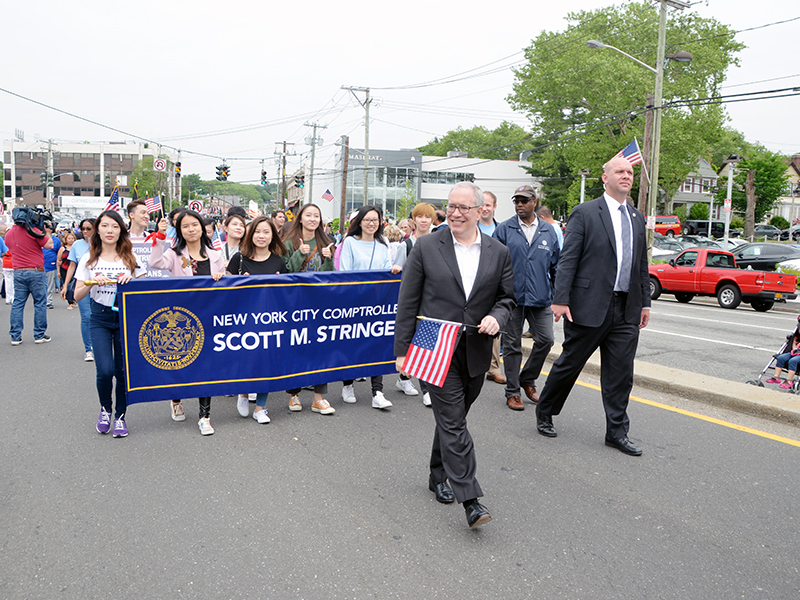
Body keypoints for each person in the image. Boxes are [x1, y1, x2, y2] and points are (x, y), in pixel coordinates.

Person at [394, 181, 515, 528]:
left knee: (454, 417)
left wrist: (497, 317)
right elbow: (408, 301)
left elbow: (507, 298)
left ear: (481, 211)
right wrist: (401, 351)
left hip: (475, 347)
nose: (455, 213)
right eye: (451, 206)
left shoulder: (498, 252)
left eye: (464, 208)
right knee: (453, 421)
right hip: (434, 345)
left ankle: (437, 474)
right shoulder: (427, 247)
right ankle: (471, 499)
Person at [535, 156, 650, 457]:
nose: (626, 176)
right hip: (589, 305)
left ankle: (617, 432)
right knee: (570, 363)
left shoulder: (637, 218)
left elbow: (641, 264)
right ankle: (545, 410)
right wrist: (560, 299)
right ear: (605, 178)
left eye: (630, 172)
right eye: (620, 172)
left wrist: (645, 303)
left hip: (626, 308)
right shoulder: (585, 213)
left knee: (620, 374)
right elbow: (568, 258)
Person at [150, 210, 226, 435]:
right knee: (179, 361)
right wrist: (159, 238)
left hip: (209, 317)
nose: (191, 229)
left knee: (206, 367)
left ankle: (205, 416)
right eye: (185, 226)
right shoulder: (173, 254)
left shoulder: (214, 255)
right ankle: (176, 399)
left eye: (195, 224)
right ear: (179, 230)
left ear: (202, 228)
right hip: (182, 320)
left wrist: (222, 278)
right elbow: (155, 263)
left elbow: (224, 283)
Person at [74, 210, 146, 437]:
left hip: (126, 318)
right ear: (98, 229)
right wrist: (92, 282)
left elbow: (144, 293)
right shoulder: (89, 258)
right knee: (105, 370)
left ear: (121, 230)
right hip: (100, 318)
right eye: (105, 226)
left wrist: (131, 282)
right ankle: (105, 409)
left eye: (114, 227)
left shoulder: (130, 257)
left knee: (121, 370)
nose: (110, 231)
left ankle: (121, 416)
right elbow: (76, 295)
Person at [493, 185, 559, 411]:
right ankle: (512, 392)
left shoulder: (548, 231)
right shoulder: (504, 229)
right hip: (511, 298)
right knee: (512, 346)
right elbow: (492, 264)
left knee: (546, 340)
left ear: (534, 202)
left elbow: (556, 266)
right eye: (516, 201)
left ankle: (527, 378)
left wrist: (559, 296)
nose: (519, 204)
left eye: (524, 200)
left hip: (541, 298)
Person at [339, 205, 401, 410]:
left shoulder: (383, 243)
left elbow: (385, 269)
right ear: (359, 222)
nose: (371, 223)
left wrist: (393, 270)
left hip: (376, 303)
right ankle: (347, 384)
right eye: (367, 219)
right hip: (353, 302)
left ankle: (378, 392)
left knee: (377, 343)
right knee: (351, 342)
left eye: (375, 220)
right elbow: (345, 272)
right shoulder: (349, 242)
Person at [227, 216, 289, 423]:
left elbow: (288, 294)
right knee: (246, 360)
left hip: (270, 321)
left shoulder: (279, 261)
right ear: (250, 234)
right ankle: (243, 392)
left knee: (267, 364)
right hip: (243, 322)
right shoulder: (239, 259)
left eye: (266, 232)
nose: (261, 236)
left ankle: (260, 407)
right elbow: (224, 290)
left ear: (273, 236)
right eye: (257, 232)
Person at [281, 203, 337, 414]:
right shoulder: (289, 242)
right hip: (294, 303)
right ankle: (294, 394)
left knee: (320, 347)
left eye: (317, 216)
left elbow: (330, 277)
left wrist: (329, 260)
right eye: (309, 215)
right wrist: (300, 253)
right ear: (300, 219)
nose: (313, 219)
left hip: (319, 303)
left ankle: (318, 397)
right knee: (295, 345)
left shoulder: (327, 242)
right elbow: (286, 272)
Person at [393, 202, 438, 403]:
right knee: (413, 340)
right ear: (413, 220)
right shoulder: (407, 245)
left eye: (427, 217)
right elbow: (399, 270)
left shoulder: (439, 242)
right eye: (420, 217)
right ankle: (420, 386)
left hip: (433, 299)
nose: (424, 220)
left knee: (427, 341)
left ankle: (420, 384)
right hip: (414, 300)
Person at [6, 211, 54, 345]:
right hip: (35, 270)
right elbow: (49, 244)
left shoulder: (10, 233)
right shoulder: (33, 231)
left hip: (18, 271)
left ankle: (15, 336)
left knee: (18, 303)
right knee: (39, 303)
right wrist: (45, 230)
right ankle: (39, 334)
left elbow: (9, 247)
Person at [61, 218, 96, 360]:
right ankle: (89, 349)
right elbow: (72, 266)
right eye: (83, 229)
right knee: (86, 317)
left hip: (102, 286)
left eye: (89, 228)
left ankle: (102, 345)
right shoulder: (77, 245)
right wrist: (65, 285)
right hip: (83, 285)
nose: (85, 231)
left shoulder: (103, 244)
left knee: (100, 317)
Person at [42, 222, 61, 309]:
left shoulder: (56, 240)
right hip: (39, 265)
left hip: (50, 264)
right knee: (41, 285)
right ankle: (41, 301)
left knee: (50, 284)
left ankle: (48, 301)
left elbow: (58, 253)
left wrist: (58, 265)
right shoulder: (39, 238)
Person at [57, 231, 77, 308]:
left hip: (75, 268)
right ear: (66, 239)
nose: (71, 240)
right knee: (67, 285)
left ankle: (74, 299)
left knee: (74, 285)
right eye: (69, 238)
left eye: (72, 238)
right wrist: (58, 271)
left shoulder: (75, 248)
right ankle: (70, 302)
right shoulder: (62, 249)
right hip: (64, 269)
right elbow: (58, 260)